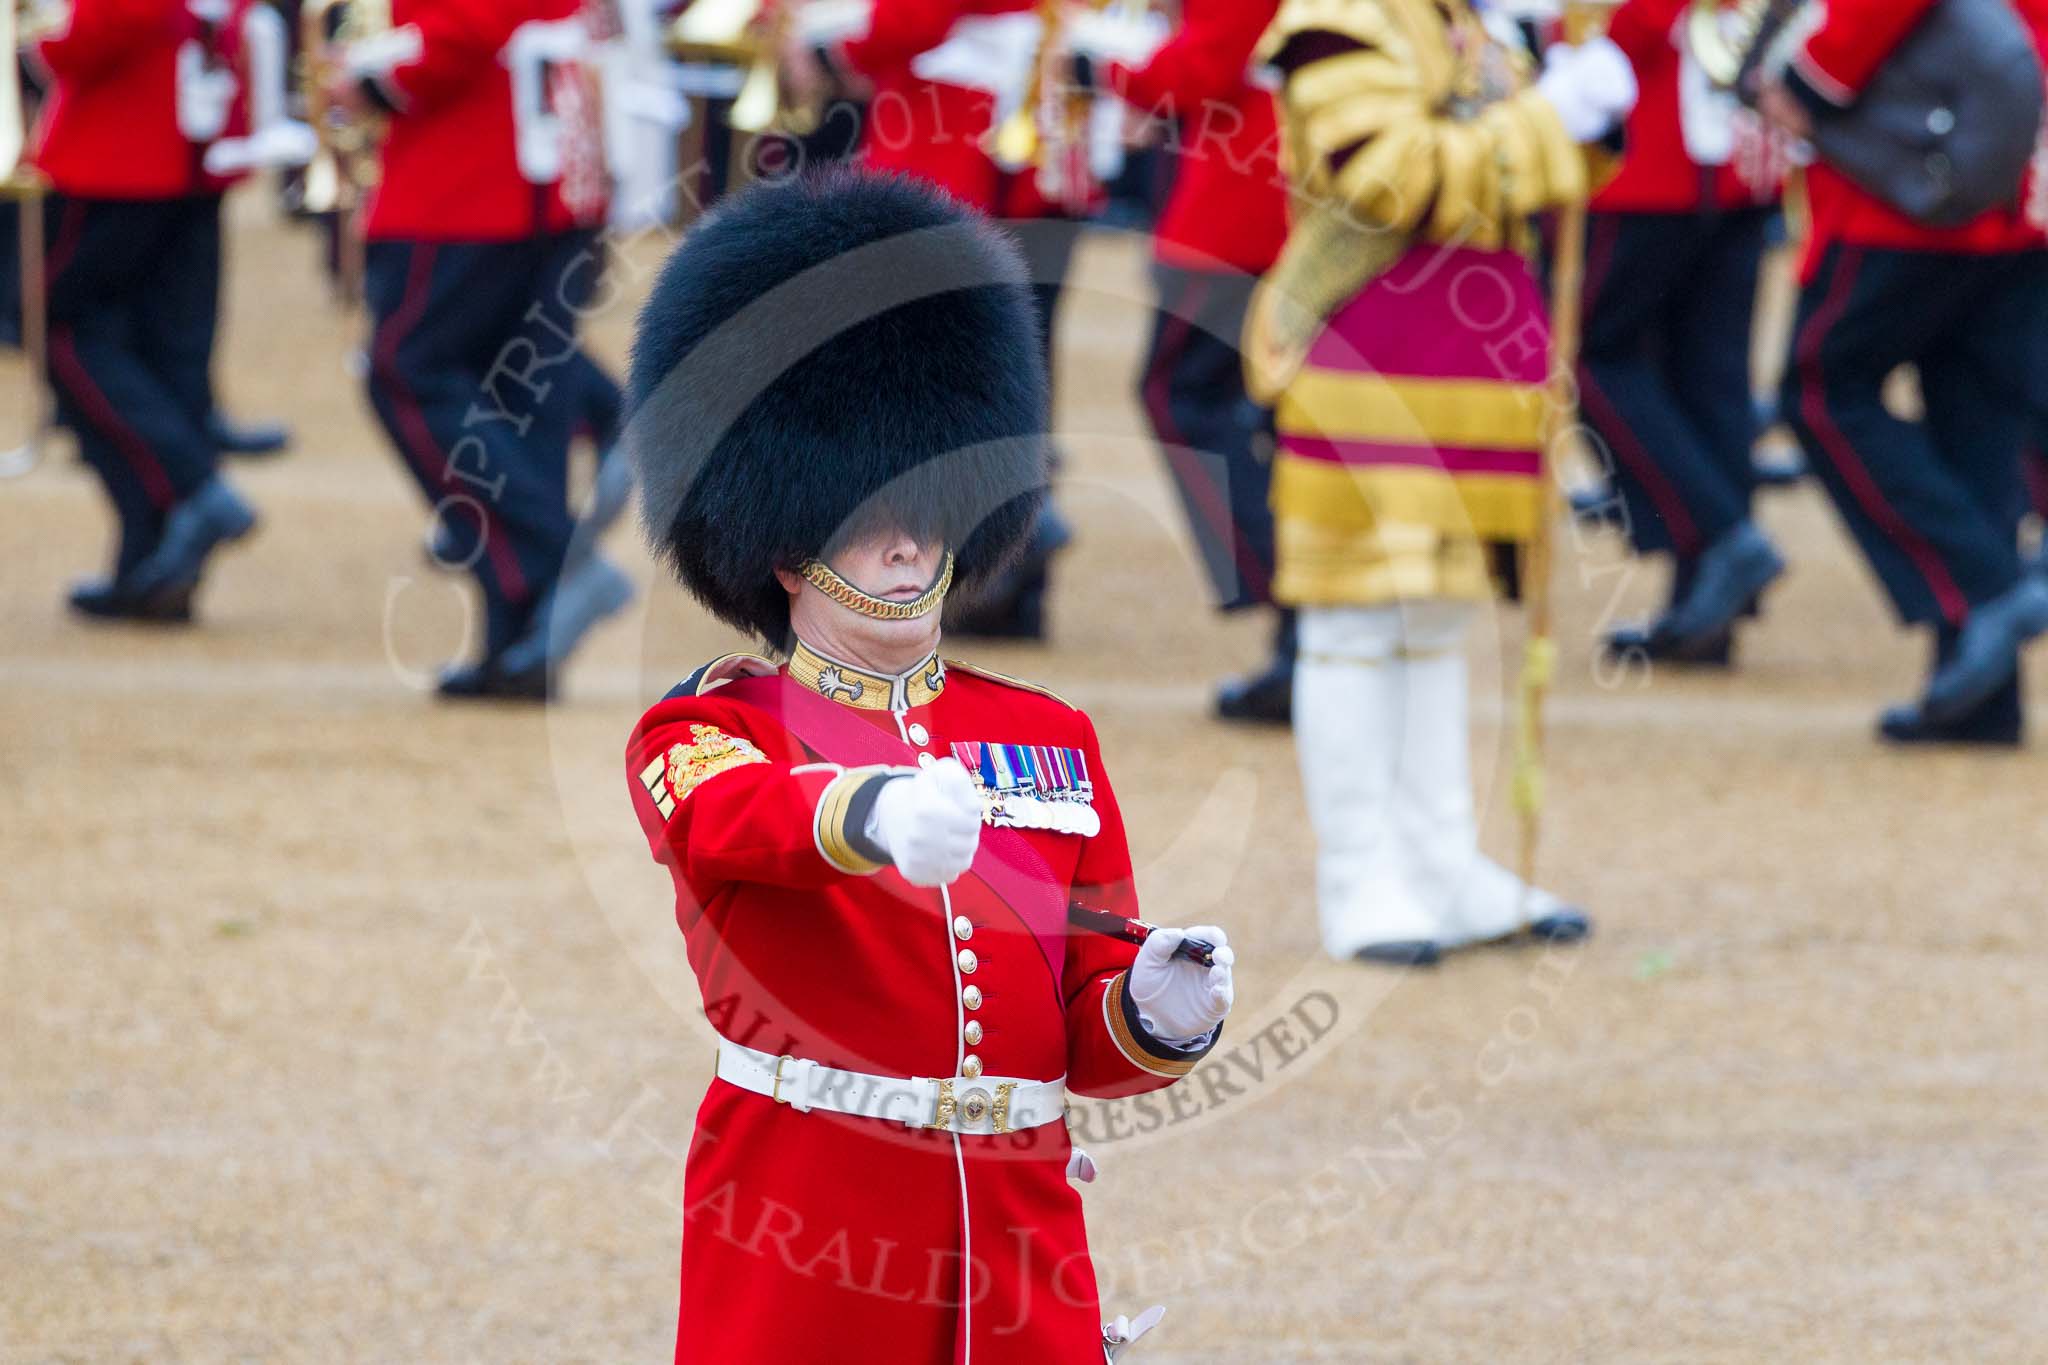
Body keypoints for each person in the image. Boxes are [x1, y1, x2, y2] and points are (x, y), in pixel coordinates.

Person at [623, 168, 1234, 1362]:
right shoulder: (715, 726)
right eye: (863, 512)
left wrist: (1155, 1014)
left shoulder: (1049, 734)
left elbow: (1075, 1028)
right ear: (783, 547)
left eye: (927, 500)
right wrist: (867, 813)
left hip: (1016, 1238)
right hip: (810, 1225)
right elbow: (730, 823)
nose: (906, 538)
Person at [1245, 0, 1634, 964]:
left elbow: (1525, 180)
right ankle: (1359, 876)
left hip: (1473, 366)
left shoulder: (1472, 23)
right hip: (1371, 366)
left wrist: (1589, 123)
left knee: (1438, 624)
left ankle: (1441, 860)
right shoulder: (1340, 18)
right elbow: (1391, 173)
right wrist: (1552, 121)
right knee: (1353, 627)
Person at [1760, 0, 2048, 746]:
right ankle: (1981, 696)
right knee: (1977, 426)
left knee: (1820, 390)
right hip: (2010, 185)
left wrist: (1809, 78)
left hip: (1905, 196)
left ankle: (1987, 590)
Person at [330, 0, 633, 700]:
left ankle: (554, 561)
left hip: (471, 168)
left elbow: (471, 23)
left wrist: (374, 77)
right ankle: (520, 644)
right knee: (518, 398)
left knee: (406, 370)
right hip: (534, 165)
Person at [790, 0, 1080, 639]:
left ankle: (1002, 543)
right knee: (1010, 354)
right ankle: (1011, 566)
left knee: (924, 361)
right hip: (1018, 138)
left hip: (951, 134)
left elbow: (915, 17)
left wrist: (831, 53)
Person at [1073, 0, 1297, 723]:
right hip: (1273, 193)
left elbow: (1202, 64)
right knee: (1275, 419)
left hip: (1246, 206)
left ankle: (1295, 599)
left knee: (1182, 393)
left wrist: (1108, 69)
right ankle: (1301, 630)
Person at [29, 0, 264, 623]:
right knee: (165, 354)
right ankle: (151, 565)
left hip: (123, 144)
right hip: (186, 140)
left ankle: (191, 490)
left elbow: (112, 20)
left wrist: (45, 42)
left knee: (57, 327)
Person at [1583, 0, 1787, 667]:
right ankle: (1706, 604)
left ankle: (1723, 539)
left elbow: (1624, 30)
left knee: (1588, 359)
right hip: (1735, 158)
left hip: (1654, 153)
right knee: (1707, 378)